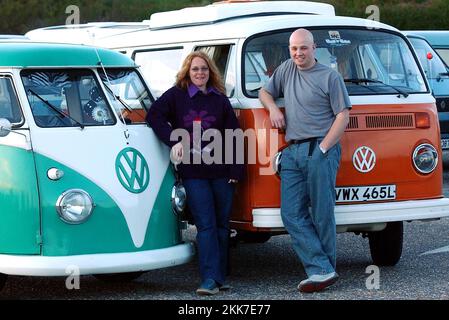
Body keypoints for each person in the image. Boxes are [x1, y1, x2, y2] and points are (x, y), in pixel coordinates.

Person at [259, 29, 351, 293]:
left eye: (303, 48)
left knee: (322, 214)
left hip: (320, 149)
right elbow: (265, 93)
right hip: (292, 151)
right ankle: (322, 269)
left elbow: (342, 116)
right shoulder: (287, 68)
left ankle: (322, 271)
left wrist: (323, 148)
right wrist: (274, 107)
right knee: (291, 214)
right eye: (294, 48)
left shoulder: (330, 77)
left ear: (314, 48)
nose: (298, 53)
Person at [146, 51, 243, 296]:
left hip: (222, 172)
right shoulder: (176, 96)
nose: (200, 73)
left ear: (210, 72)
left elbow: (235, 134)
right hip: (193, 172)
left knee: (222, 225)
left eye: (204, 69)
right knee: (206, 225)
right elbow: (153, 116)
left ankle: (220, 277)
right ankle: (210, 279)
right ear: (187, 72)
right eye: (195, 69)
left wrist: (235, 170)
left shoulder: (219, 99)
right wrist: (172, 140)